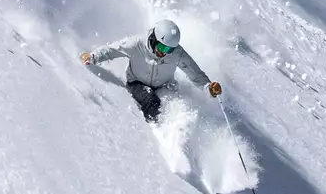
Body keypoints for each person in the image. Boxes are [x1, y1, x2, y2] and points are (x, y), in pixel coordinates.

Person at [81, 19, 222, 122]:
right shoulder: (136, 43)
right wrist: (92, 56)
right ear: (154, 39)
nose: (165, 53)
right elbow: (112, 50)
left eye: (170, 49)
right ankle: (155, 128)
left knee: (176, 105)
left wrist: (208, 88)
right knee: (152, 102)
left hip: (165, 85)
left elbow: (195, 74)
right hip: (137, 83)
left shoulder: (177, 53)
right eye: (163, 48)